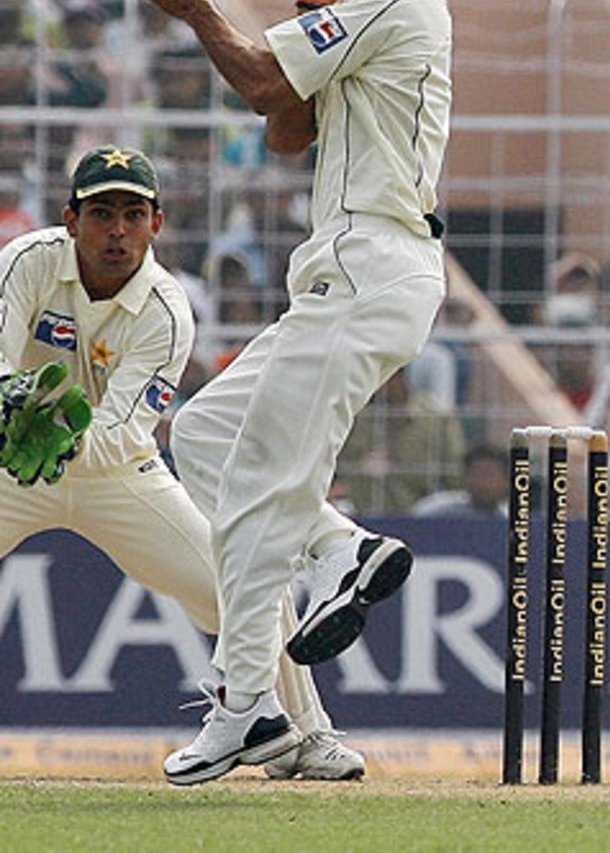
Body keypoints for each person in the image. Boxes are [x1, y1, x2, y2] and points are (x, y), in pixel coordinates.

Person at [140, 0, 492, 785]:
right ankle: (345, 547)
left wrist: (199, 6)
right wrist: (305, 16)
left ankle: (247, 706)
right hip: (360, 272)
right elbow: (291, 123)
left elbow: (257, 84)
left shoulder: (398, 2)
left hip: (367, 263)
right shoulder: (374, 11)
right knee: (210, 432)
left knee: (258, 489)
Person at [0, 144, 364, 782]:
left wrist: (53, 433)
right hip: (9, 462)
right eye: (101, 213)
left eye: (133, 214)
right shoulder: (26, 263)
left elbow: (119, 433)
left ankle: (308, 735)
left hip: (115, 476)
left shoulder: (167, 311)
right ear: (69, 218)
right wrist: (13, 412)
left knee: (242, 588)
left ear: (156, 225)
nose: (117, 231)